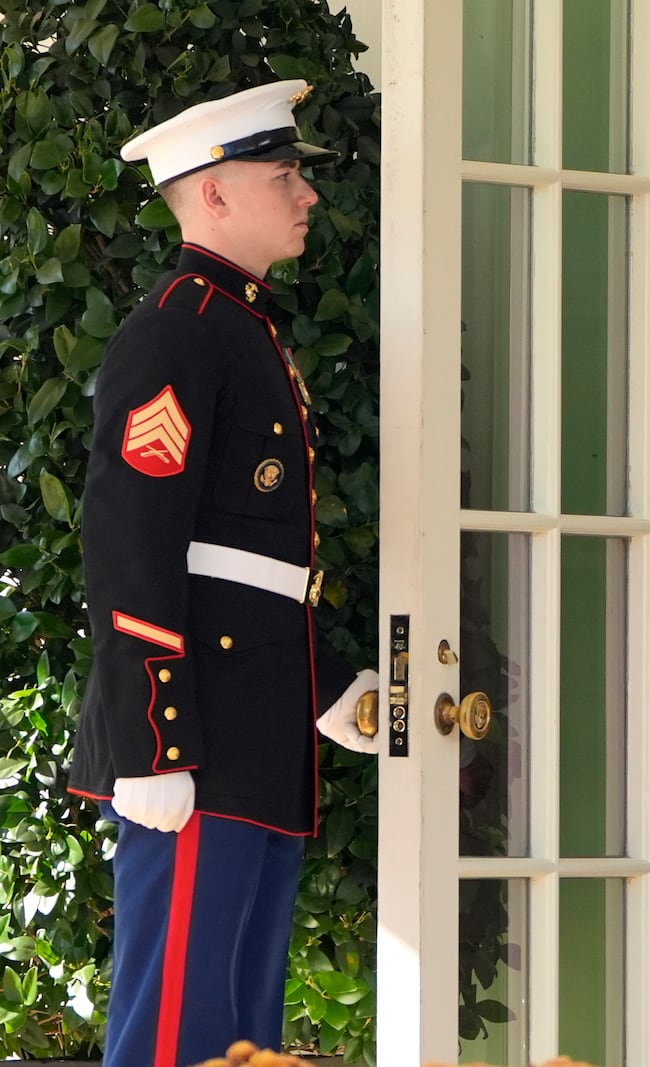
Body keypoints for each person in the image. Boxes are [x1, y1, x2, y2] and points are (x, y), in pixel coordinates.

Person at [66, 80, 380, 1067]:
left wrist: (322, 689)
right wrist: (152, 739)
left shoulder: (239, 329)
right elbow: (132, 540)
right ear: (211, 195)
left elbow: (245, 566)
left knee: (238, 1030)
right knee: (177, 1034)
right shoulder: (177, 332)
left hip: (249, 736)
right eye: (282, 174)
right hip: (193, 742)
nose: (306, 194)